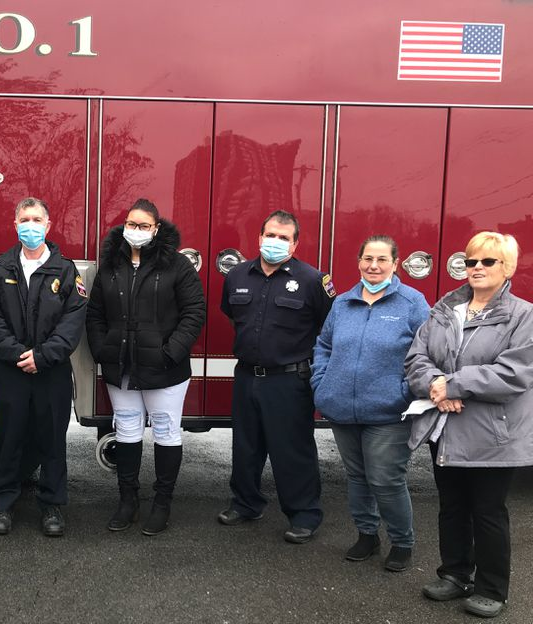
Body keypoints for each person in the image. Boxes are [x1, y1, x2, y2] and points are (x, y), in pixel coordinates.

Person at [405, 231, 533, 619]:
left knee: (488, 512)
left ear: (506, 267)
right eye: (470, 261)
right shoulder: (445, 308)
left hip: (494, 434)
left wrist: (453, 384)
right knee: (452, 507)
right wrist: (433, 385)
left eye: (487, 261)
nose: (476, 268)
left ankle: (492, 589)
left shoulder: (523, 315)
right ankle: (456, 574)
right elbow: (416, 357)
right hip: (445, 429)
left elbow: (514, 373)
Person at [86, 199, 206, 535]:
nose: (136, 231)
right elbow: (95, 314)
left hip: (165, 370)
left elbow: (194, 313)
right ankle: (128, 502)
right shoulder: (110, 264)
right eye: (131, 224)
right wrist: (101, 351)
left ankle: (162, 504)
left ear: (156, 229)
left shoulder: (177, 266)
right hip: (120, 368)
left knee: (167, 434)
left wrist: (170, 353)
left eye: (143, 226)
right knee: (126, 433)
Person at [310, 235, 429, 571]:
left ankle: (402, 541)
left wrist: (404, 391)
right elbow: (324, 346)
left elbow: (429, 351)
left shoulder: (412, 302)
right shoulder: (343, 303)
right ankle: (367, 535)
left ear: (395, 263)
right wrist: (322, 383)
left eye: (381, 260)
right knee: (358, 477)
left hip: (389, 412)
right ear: (359, 261)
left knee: (385, 479)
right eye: (367, 259)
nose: (373, 266)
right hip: (342, 409)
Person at [218, 209, 334, 544]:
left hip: (289, 380)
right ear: (259, 237)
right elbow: (232, 314)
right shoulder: (237, 276)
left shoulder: (313, 281)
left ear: (295, 244)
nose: (275, 241)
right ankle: (246, 503)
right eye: (271, 234)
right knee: (245, 445)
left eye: (283, 237)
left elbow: (328, 327)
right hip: (246, 376)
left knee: (292, 450)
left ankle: (304, 515)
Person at [0, 197, 88, 537]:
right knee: (8, 438)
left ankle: (52, 505)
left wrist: (42, 356)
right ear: (15, 225)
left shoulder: (66, 270)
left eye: (36, 219)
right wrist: (18, 355)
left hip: (51, 371)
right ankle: (2, 505)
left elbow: (73, 322)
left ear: (48, 224)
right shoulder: (0, 269)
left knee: (52, 439)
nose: (31, 225)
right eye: (24, 219)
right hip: (10, 371)